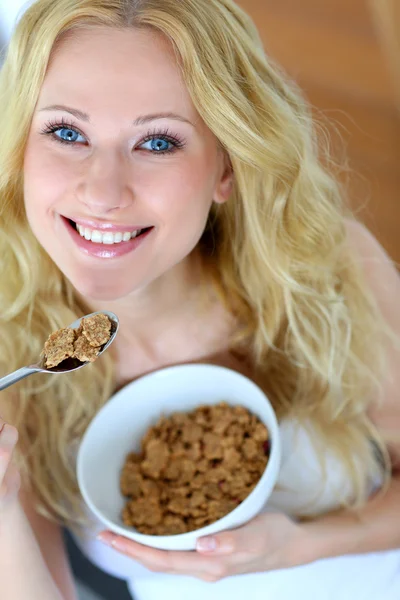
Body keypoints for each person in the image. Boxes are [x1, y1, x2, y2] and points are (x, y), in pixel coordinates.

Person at [0, 0, 399, 599]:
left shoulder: (330, 268)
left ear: (226, 166)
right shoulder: (16, 360)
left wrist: (303, 544)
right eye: (66, 132)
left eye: (158, 142)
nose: (102, 193)